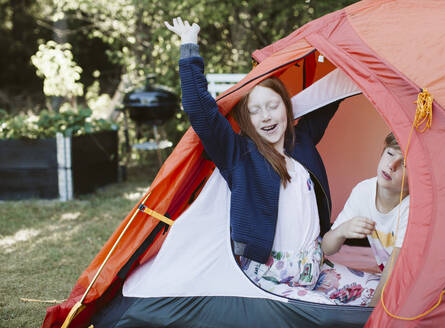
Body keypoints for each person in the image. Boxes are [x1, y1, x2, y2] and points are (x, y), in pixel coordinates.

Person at [165, 17, 340, 302]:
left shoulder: (302, 141)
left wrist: (341, 50)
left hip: (315, 269)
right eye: (256, 111)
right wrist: (189, 46)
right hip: (265, 278)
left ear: (287, 108)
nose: (267, 116)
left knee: (378, 294)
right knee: (321, 311)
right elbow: (200, 109)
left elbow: (333, 93)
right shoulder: (239, 155)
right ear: (245, 120)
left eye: (273, 106)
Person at [321, 132, 410, 307]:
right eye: (390, 154)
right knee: (324, 276)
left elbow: (395, 266)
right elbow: (327, 247)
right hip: (385, 278)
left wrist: (371, 313)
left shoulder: (411, 207)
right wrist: (342, 230)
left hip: (409, 280)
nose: (391, 165)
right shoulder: (364, 191)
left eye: (405, 164)